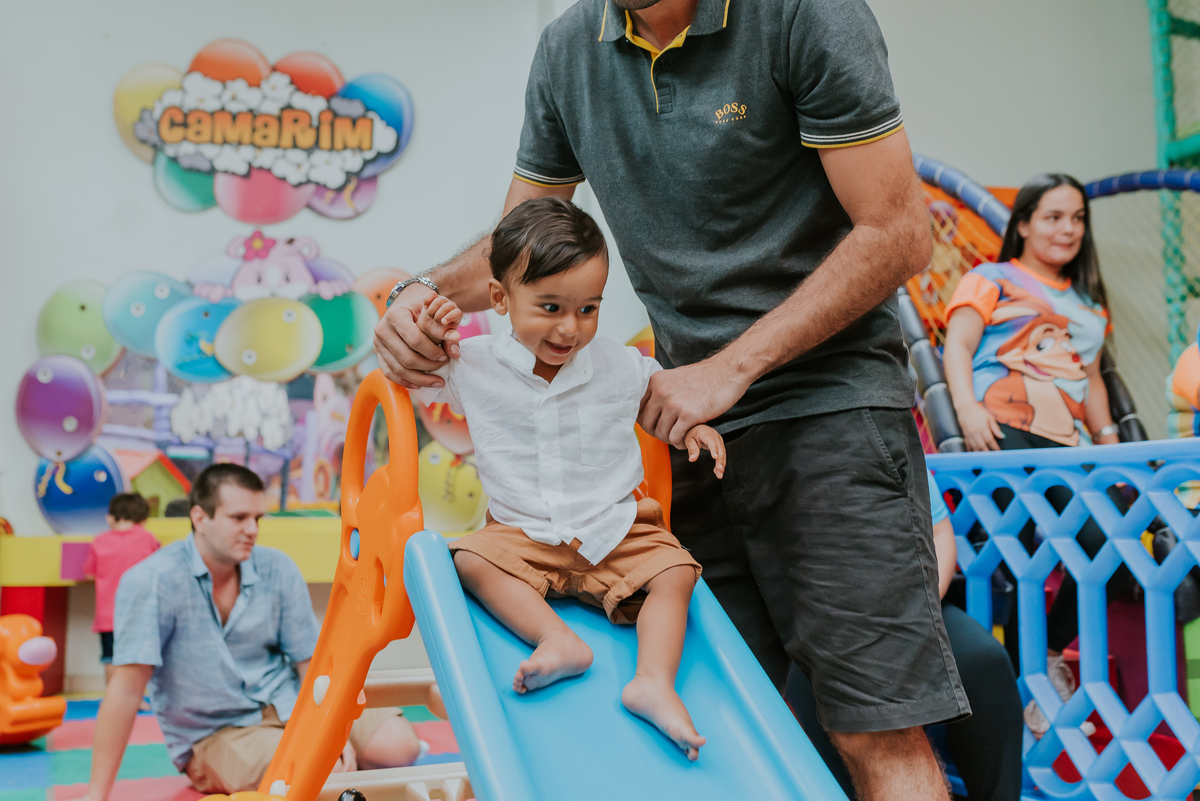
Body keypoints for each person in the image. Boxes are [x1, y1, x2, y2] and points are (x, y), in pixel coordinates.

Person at [373, 1, 967, 797]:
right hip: (686, 432)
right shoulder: (568, 48)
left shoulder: (804, 16)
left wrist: (733, 367)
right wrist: (419, 296)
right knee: (725, 721)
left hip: (828, 412)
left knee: (872, 724)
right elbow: (521, 244)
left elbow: (899, 231)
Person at [412, 197, 725, 760]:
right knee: (469, 559)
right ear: (501, 299)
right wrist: (427, 331)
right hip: (524, 532)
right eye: (551, 306)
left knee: (677, 572)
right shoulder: (471, 363)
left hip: (618, 527)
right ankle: (556, 639)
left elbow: (662, 404)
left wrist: (693, 431)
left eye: (588, 309)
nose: (569, 328)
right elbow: (413, 378)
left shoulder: (620, 365)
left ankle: (652, 682)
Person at [80, 464, 422, 799]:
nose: (252, 530)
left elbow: (311, 662)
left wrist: (332, 729)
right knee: (322, 772)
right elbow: (125, 692)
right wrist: (97, 794)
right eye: (238, 518)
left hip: (294, 703)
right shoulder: (152, 580)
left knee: (400, 746)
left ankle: (344, 775)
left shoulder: (277, 567)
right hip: (218, 733)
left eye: (257, 519)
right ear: (200, 518)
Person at [942, 173, 1118, 736]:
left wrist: (1111, 444)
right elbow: (960, 347)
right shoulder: (989, 278)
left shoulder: (1088, 304)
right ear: (1022, 224)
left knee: (1108, 548)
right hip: (1003, 434)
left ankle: (1040, 666)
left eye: (1078, 218)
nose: (1069, 229)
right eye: (1053, 216)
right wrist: (967, 409)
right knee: (1018, 561)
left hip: (1071, 449)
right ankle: (1027, 696)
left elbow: (1090, 381)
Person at [787, 470, 1024, 801]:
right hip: (825, 622)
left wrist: (918, 608)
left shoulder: (893, 436)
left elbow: (941, 536)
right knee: (826, 693)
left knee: (985, 660)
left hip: (914, 605)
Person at [83, 493, 159, 688]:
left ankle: (111, 697)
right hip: (139, 612)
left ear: (111, 517)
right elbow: (159, 569)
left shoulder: (99, 541)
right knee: (137, 658)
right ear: (143, 519)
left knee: (110, 657)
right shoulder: (147, 539)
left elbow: (90, 574)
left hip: (108, 614)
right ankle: (136, 699)